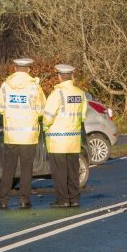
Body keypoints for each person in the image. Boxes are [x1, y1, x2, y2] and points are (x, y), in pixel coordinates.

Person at [0, 57, 46, 209]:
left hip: (11, 135)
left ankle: (3, 200)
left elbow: (0, 108)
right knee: (26, 169)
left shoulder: (5, 86)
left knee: (8, 169)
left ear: (15, 68)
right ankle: (24, 200)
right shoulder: (34, 87)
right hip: (29, 135)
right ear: (29, 69)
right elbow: (41, 109)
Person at [43, 63, 88, 208]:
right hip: (74, 140)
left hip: (58, 141)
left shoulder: (57, 94)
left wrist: (45, 126)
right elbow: (83, 116)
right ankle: (74, 199)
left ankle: (63, 200)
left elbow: (48, 117)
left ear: (59, 76)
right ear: (71, 76)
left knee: (60, 173)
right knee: (73, 171)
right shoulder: (80, 94)